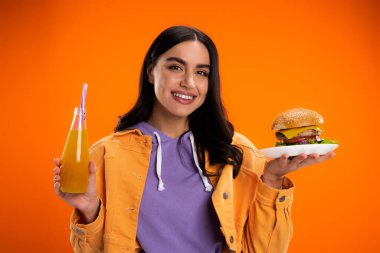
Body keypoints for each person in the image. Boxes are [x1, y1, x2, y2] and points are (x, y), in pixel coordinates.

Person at [53, 26, 334, 253]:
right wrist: (90, 211)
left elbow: (267, 250)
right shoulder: (106, 154)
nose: (189, 82)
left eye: (201, 72)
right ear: (151, 70)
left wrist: (272, 182)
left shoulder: (237, 151)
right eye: (175, 67)